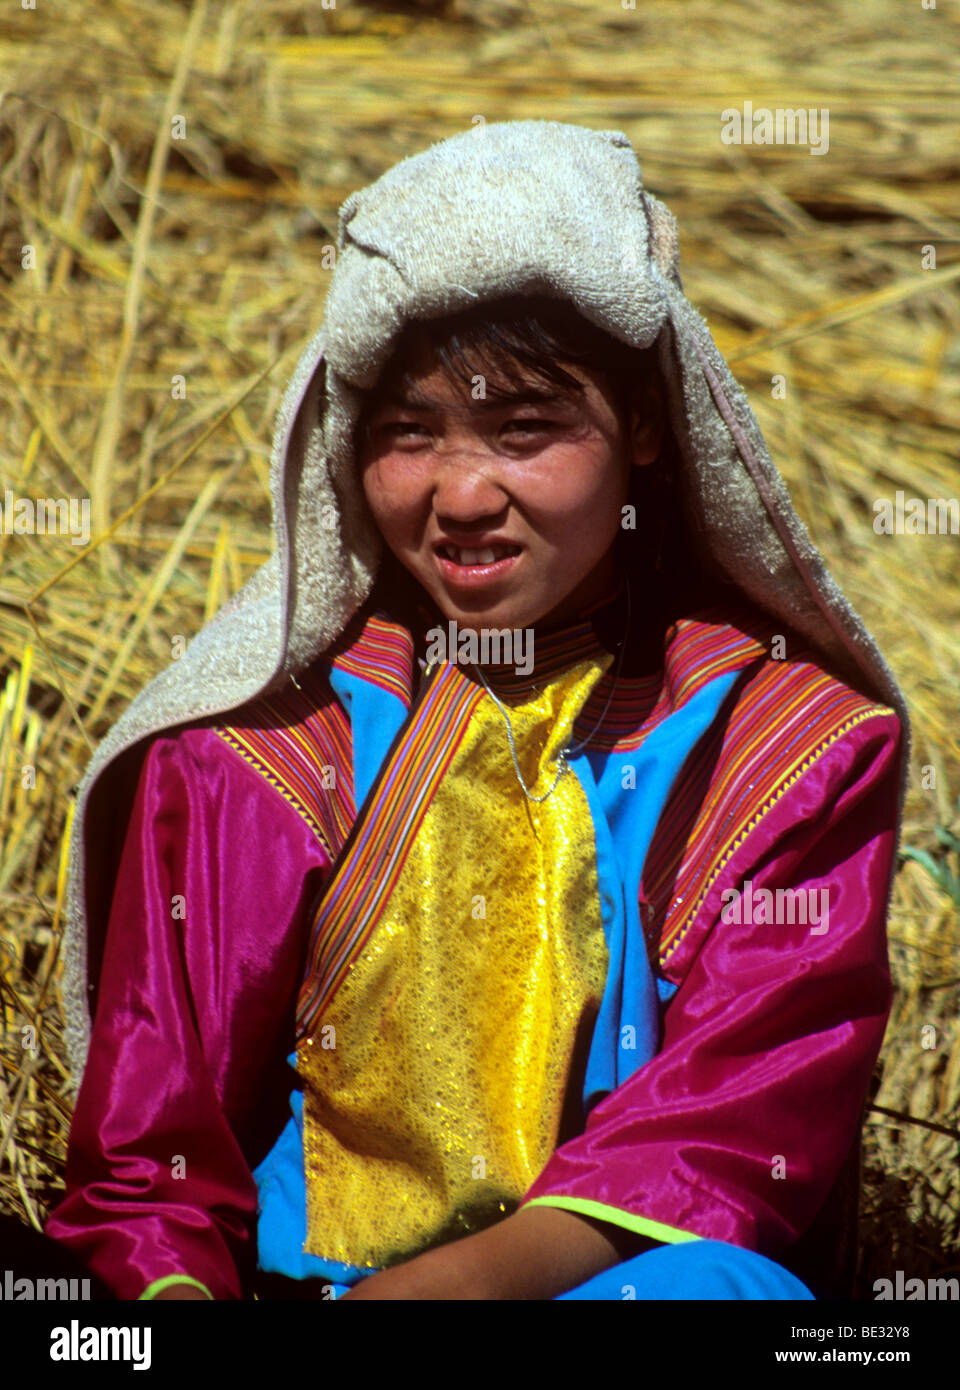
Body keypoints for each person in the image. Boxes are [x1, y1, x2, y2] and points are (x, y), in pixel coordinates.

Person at [43, 121, 906, 1301]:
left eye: (525, 430)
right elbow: (153, 1166)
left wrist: (454, 1293)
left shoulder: (784, 751)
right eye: (409, 434)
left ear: (646, 428)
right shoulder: (253, 760)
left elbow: (726, 1132)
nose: (462, 494)